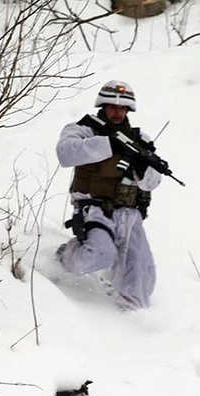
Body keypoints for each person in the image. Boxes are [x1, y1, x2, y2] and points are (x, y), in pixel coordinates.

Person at [55, 80, 164, 309]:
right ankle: (62, 258)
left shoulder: (140, 139)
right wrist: (108, 144)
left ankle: (131, 318)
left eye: (122, 108)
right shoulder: (84, 129)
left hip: (130, 212)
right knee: (100, 254)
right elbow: (65, 154)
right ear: (103, 106)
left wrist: (143, 168)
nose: (117, 112)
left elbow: (153, 182)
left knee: (142, 271)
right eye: (112, 107)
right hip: (95, 208)